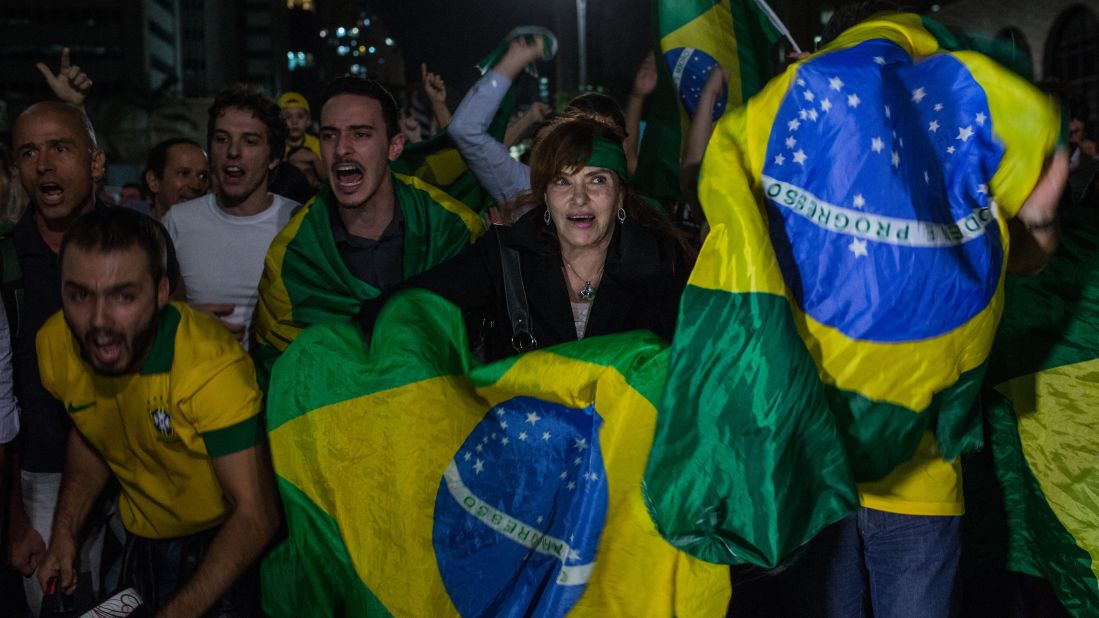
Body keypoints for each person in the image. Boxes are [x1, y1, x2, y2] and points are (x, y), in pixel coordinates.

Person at [35, 207, 279, 616]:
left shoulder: (212, 369)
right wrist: (64, 532)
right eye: (79, 295)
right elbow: (92, 432)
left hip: (224, 543)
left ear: (162, 292)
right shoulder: (54, 346)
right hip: (140, 541)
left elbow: (257, 514)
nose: (98, 321)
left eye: (124, 296)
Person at [358, 117, 693, 362]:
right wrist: (341, 342)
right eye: (563, 182)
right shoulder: (506, 257)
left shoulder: (665, 264)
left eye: (596, 180)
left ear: (619, 196)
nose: (579, 198)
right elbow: (412, 305)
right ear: (544, 196)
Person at [252, 76, 484, 388]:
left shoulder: (452, 230)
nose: (342, 150)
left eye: (360, 134)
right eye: (330, 135)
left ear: (394, 146)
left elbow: (483, 353)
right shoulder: (292, 260)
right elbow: (281, 385)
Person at [163, 86, 299, 348]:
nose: (233, 152)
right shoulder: (177, 222)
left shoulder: (297, 220)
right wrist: (186, 320)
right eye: (222, 139)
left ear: (273, 158)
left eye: (250, 141)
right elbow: (145, 310)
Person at [449, 32, 634, 208]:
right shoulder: (530, 188)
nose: (579, 200)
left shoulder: (644, 215)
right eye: (582, 135)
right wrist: (515, 60)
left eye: (607, 139)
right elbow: (466, 130)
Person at [142, 137, 210, 220]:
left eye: (203, 176)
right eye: (184, 173)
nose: (196, 185)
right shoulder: (131, 230)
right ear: (153, 180)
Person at [277, 91, 326, 186]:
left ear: (308, 120)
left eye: (300, 116)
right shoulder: (276, 145)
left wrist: (315, 159)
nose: (294, 122)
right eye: (287, 117)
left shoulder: (317, 144)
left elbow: (326, 179)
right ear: (279, 121)